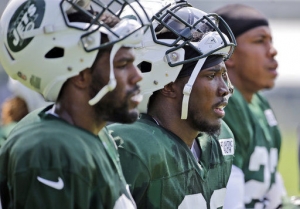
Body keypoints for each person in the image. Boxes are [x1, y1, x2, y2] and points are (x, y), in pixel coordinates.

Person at [0, 0, 149, 208]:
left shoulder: (95, 134)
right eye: (123, 64)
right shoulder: (52, 149)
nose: (137, 76)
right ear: (80, 75)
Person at [108, 1, 237, 208]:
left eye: (224, 74)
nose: (225, 89)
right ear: (168, 85)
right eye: (211, 75)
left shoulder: (220, 139)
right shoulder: (133, 146)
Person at [214, 4, 287, 209]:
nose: (272, 51)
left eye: (270, 41)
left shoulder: (259, 102)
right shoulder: (228, 103)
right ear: (229, 53)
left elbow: (273, 189)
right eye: (259, 41)